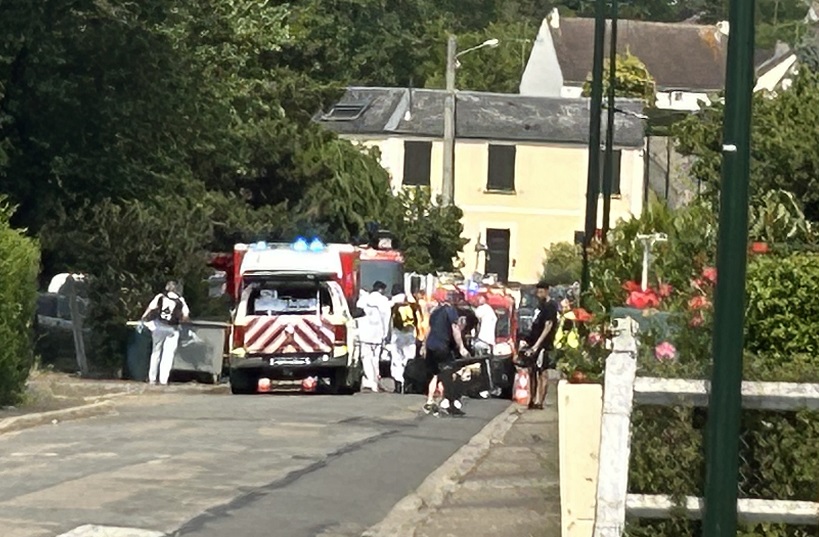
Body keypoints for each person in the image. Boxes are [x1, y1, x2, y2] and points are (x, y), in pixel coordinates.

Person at [423, 298, 470, 417]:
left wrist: (424, 345)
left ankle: (430, 400)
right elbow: (455, 329)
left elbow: (428, 329)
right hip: (442, 347)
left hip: (431, 346)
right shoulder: (450, 311)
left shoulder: (435, 312)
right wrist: (461, 347)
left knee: (436, 374)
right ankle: (447, 403)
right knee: (448, 374)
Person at [140, 281, 190, 385]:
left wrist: (144, 317)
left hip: (159, 327)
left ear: (167, 288)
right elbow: (185, 316)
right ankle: (164, 379)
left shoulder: (160, 297)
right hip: (172, 329)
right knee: (168, 355)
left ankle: (152, 378)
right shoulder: (180, 300)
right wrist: (183, 321)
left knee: (155, 352)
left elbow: (151, 308)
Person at [519, 281, 559, 409]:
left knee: (542, 373)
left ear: (547, 291)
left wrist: (537, 345)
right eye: (538, 291)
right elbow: (535, 325)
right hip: (533, 343)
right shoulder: (540, 306)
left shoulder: (550, 306)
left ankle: (539, 401)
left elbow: (548, 326)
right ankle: (531, 399)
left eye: (541, 291)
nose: (539, 294)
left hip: (543, 345)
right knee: (532, 371)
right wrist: (527, 340)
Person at [357, 281, 391, 392]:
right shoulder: (384, 301)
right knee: (375, 358)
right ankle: (376, 380)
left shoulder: (363, 300)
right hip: (378, 333)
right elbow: (386, 318)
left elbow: (357, 314)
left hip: (364, 333)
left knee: (365, 357)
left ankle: (369, 380)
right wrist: (385, 334)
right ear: (381, 290)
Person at [390, 285, 421, 394]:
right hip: (410, 334)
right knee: (409, 359)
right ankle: (409, 384)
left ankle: (398, 384)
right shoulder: (411, 302)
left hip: (397, 334)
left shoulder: (393, 303)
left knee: (396, 359)